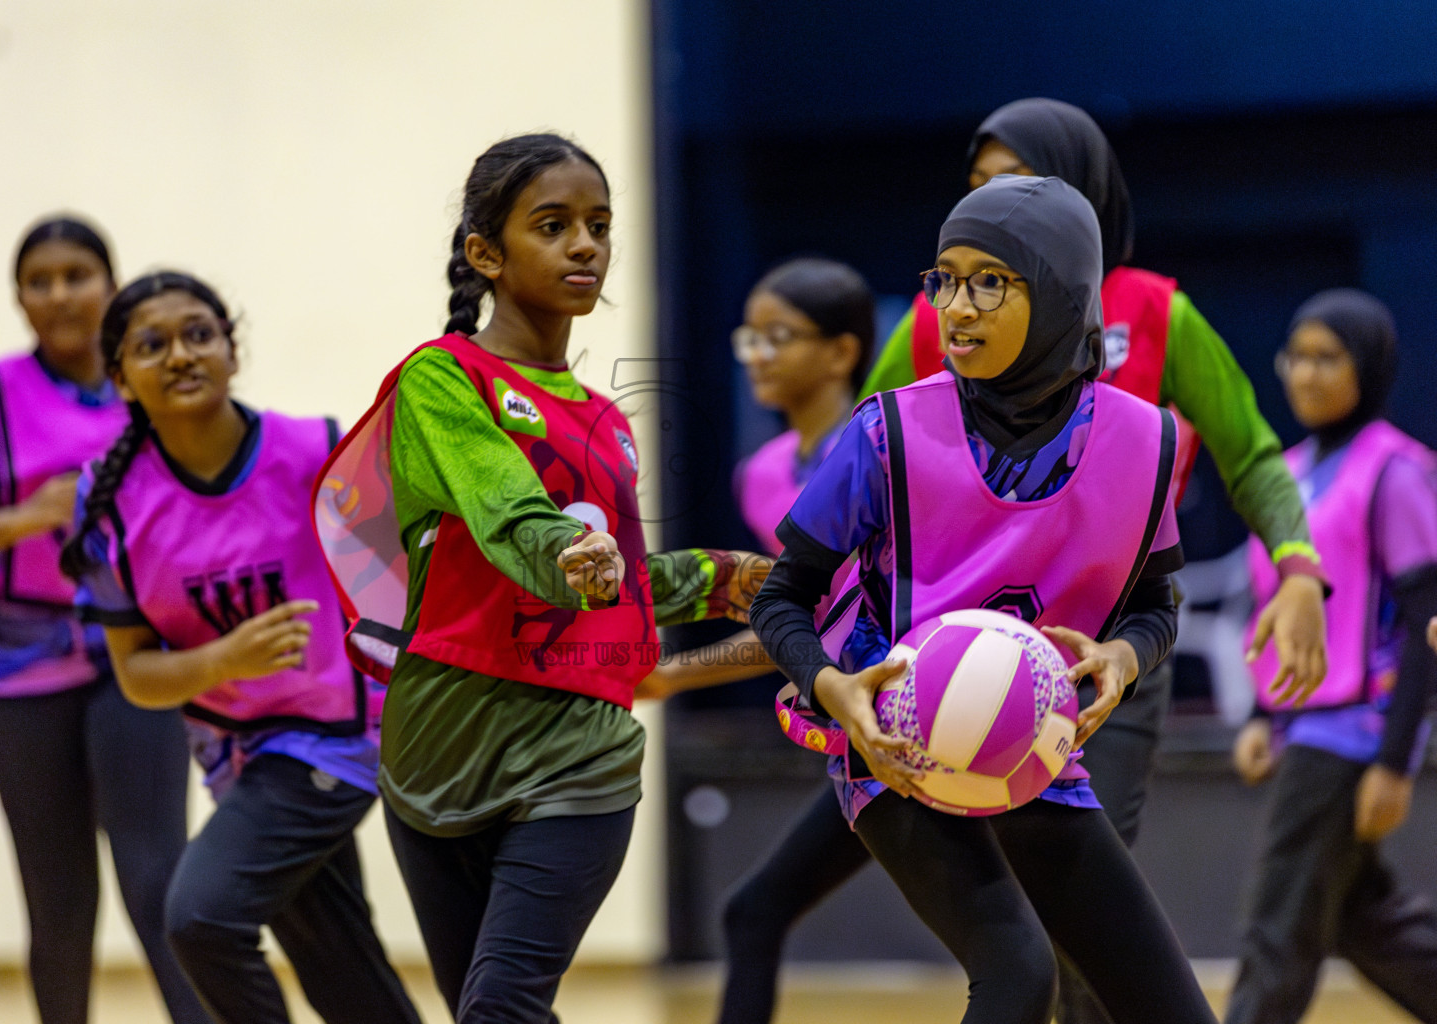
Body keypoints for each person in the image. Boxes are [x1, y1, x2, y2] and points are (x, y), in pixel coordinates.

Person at [857, 98, 1328, 1023]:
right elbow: (854, 464)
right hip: (957, 657)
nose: (994, 203)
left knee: (1085, 923)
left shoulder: (1156, 309)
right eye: (979, 185)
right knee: (1011, 938)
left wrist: (1301, 568)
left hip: (1108, 654)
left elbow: (1253, 454)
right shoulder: (933, 317)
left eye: (1020, 182)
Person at [315, 133, 768, 1024]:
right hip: (437, 755)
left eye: (598, 225)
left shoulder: (606, 419)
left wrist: (724, 579)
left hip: (577, 752)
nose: (586, 246)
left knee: (500, 1009)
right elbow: (509, 517)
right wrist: (566, 557)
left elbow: (618, 584)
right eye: (553, 226)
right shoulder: (441, 381)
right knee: (487, 1009)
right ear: (486, 254)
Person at [750, 174, 1217, 1024]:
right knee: (1016, 969)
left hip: (1031, 747)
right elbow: (780, 598)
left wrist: (1125, 654)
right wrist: (832, 687)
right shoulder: (884, 430)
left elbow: (1156, 606)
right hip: (892, 745)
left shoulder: (1143, 441)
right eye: (945, 279)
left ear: (1063, 291)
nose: (954, 309)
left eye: (989, 281)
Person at [60, 271, 422, 1024]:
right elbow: (138, 677)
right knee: (341, 965)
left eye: (199, 333)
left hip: (342, 737)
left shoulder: (318, 449)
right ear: (120, 376)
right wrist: (225, 660)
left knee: (201, 918)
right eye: (151, 345)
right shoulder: (111, 503)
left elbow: (406, 583)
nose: (181, 355)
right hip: (237, 755)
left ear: (232, 348)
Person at [0, 218, 206, 1024]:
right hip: (21, 669)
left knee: (157, 882)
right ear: (19, 300)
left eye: (78, 274)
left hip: (134, 659)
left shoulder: (152, 378)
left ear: (111, 286)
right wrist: (21, 518)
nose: (60, 293)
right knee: (59, 899)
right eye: (39, 279)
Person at [1225, 289, 1437, 1023]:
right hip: (1302, 726)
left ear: (1368, 367)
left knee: (1277, 925)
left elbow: (1424, 628)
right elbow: (1278, 609)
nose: (1307, 376)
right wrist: (1262, 711)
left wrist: (1395, 761)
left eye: (1328, 358)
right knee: (1365, 921)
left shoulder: (1397, 472)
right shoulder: (1283, 473)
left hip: (1353, 736)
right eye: (1298, 357)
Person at [637, 256, 872, 699]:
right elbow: (795, 614)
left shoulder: (878, 454)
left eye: (779, 338)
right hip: (833, 699)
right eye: (751, 339)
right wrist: (670, 675)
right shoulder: (760, 473)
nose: (758, 357)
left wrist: (675, 675)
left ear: (842, 352)